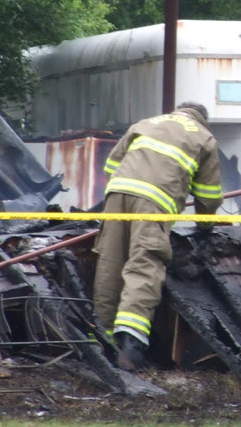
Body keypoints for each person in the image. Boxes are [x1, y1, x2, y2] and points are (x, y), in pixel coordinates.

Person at [92, 101, 223, 370]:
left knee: (110, 263)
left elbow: (110, 167)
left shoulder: (147, 122)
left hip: (117, 194)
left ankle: (101, 339)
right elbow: (209, 197)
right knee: (145, 264)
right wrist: (205, 226)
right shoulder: (203, 136)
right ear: (202, 120)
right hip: (154, 202)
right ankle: (131, 347)